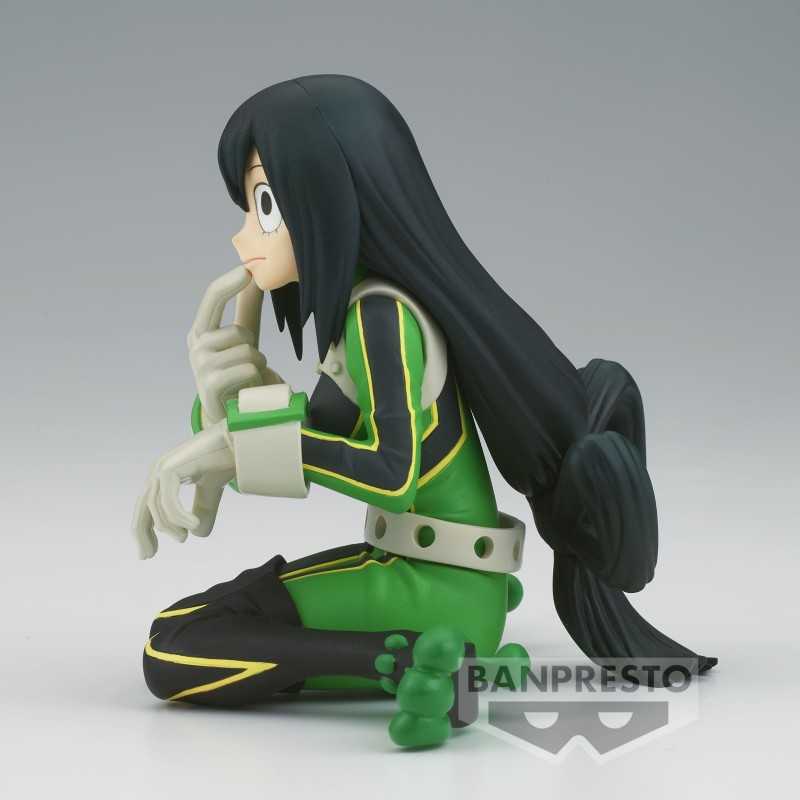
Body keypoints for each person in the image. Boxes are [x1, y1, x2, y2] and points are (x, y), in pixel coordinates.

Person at [132, 75, 715, 749]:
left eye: (265, 205)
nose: (244, 238)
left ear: (331, 196)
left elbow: (392, 473)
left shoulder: (383, 317)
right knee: (216, 619)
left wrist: (233, 444)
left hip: (437, 587)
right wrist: (227, 399)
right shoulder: (362, 315)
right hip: (429, 574)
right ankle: (439, 656)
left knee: (173, 647)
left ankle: (418, 661)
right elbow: (315, 441)